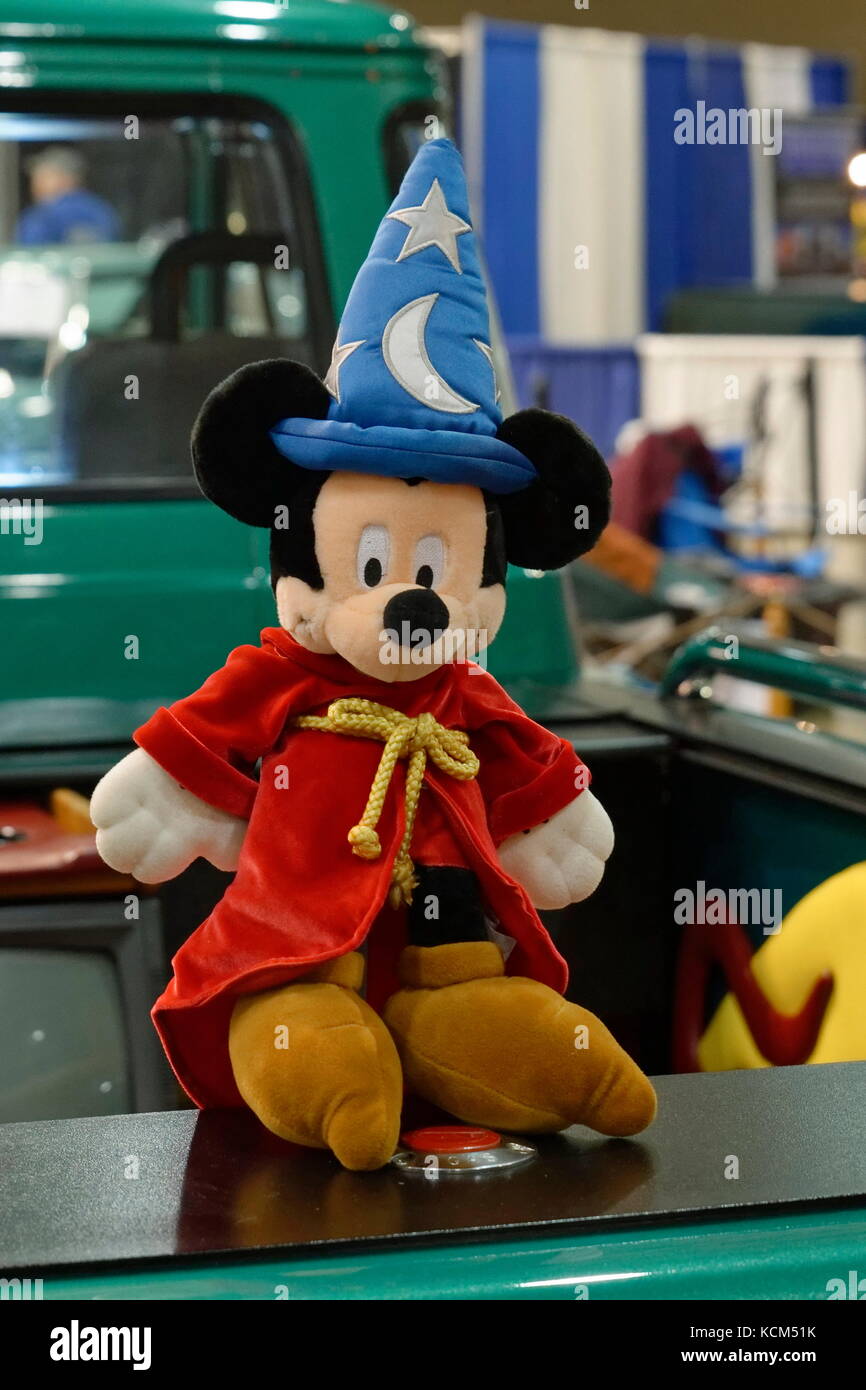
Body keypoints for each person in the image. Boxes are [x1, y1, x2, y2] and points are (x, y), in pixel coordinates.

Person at [16, 147, 120, 246]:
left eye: (43, 176)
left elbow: (29, 255)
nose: (35, 184)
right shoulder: (101, 209)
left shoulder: (44, 214)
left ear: (65, 179)